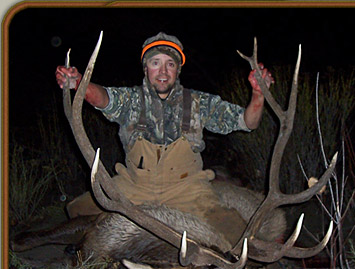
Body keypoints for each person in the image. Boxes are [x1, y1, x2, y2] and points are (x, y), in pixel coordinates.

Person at [55, 32, 273, 245]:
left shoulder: (199, 103)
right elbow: (102, 98)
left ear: (178, 70)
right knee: (77, 210)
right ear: (145, 68)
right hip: (134, 185)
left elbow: (248, 122)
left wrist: (258, 94)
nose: (163, 71)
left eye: (170, 64)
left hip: (186, 189)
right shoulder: (130, 100)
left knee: (234, 233)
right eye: (155, 62)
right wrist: (79, 83)